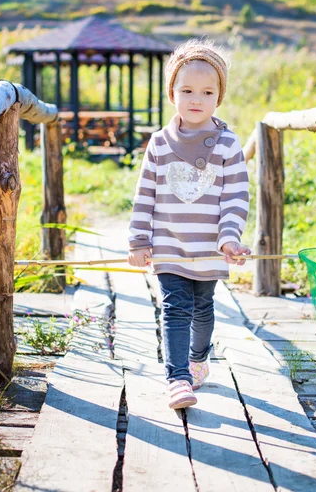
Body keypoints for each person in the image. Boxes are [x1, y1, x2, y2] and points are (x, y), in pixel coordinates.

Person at [128, 38, 250, 409]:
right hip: (169, 246)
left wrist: (230, 238)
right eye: (187, 90)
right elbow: (145, 193)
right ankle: (177, 378)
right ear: (172, 93)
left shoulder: (227, 144)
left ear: (219, 97)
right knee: (174, 307)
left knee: (203, 307)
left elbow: (235, 197)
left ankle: (199, 359)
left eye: (207, 91)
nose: (196, 99)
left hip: (208, 248)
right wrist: (139, 240)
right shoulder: (160, 143)